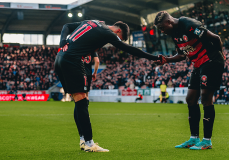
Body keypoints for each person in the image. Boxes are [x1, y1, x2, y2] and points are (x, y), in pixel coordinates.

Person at [55, 20, 160, 152]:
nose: (115, 41)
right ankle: (89, 143)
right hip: (72, 61)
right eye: (119, 39)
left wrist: (62, 41)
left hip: (60, 58)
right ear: (118, 31)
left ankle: (83, 140)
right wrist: (154, 58)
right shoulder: (107, 32)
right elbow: (129, 49)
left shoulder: (94, 22)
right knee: (82, 101)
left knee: (79, 101)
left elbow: (66, 26)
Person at [154, 11, 225, 150]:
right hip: (198, 64)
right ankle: (193, 138)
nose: (162, 31)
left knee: (205, 98)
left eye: (162, 28)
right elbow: (181, 55)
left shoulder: (189, 25)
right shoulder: (174, 33)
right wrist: (167, 60)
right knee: (191, 99)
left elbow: (216, 38)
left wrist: (221, 57)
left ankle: (207, 141)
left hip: (211, 60)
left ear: (169, 22)